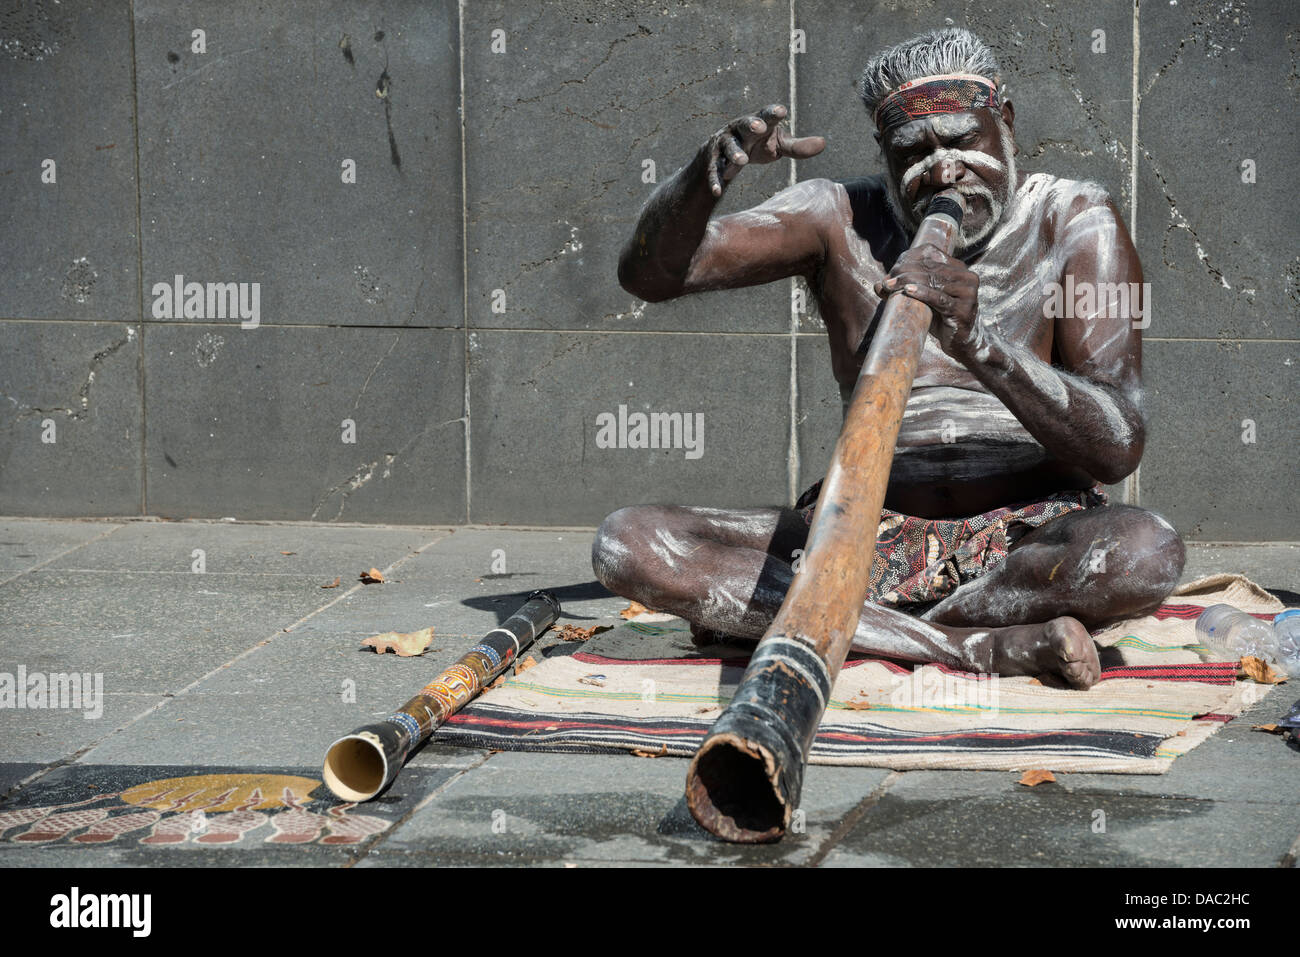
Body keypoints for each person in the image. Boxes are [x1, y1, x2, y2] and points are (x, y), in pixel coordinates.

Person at [592, 28, 1184, 689]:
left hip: (1027, 543)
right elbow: (651, 274)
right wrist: (705, 176)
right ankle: (968, 645)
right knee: (630, 543)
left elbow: (1118, 442)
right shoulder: (836, 215)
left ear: (1006, 122)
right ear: (882, 152)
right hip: (858, 531)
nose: (943, 170)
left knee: (1145, 553)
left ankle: (834, 621)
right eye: (914, 152)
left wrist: (979, 344)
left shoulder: (1074, 216)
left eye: (963, 141)